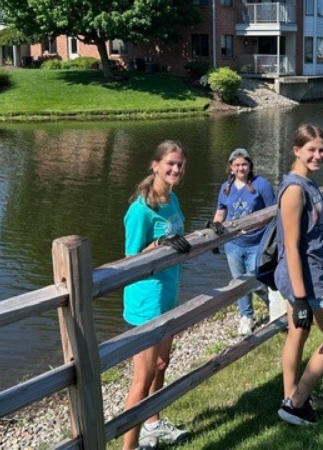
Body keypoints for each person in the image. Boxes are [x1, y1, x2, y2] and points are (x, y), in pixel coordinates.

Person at [274, 124, 323, 426]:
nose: (318, 155)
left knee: (298, 333)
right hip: (306, 278)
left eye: (322, 150)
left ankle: (291, 396)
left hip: (307, 274)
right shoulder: (294, 190)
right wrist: (301, 299)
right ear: (296, 150)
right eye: (311, 150)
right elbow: (291, 246)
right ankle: (296, 403)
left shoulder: (308, 182)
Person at [122, 140, 192, 450]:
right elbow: (129, 260)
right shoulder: (141, 210)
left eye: (180, 164)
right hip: (146, 302)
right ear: (155, 165)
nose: (176, 169)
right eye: (170, 164)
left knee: (162, 364)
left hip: (168, 295)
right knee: (143, 377)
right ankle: (129, 446)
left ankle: (153, 424)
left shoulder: (172, 199)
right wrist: (159, 244)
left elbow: (178, 237)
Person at [209, 148, 276, 336]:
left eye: (244, 164)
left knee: (258, 280)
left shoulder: (261, 184)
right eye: (236, 165)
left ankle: (275, 307)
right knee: (239, 282)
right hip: (233, 244)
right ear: (231, 167)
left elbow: (274, 212)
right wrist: (214, 233)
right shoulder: (226, 188)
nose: (240, 168)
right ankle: (246, 316)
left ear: (250, 166)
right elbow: (221, 212)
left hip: (257, 242)